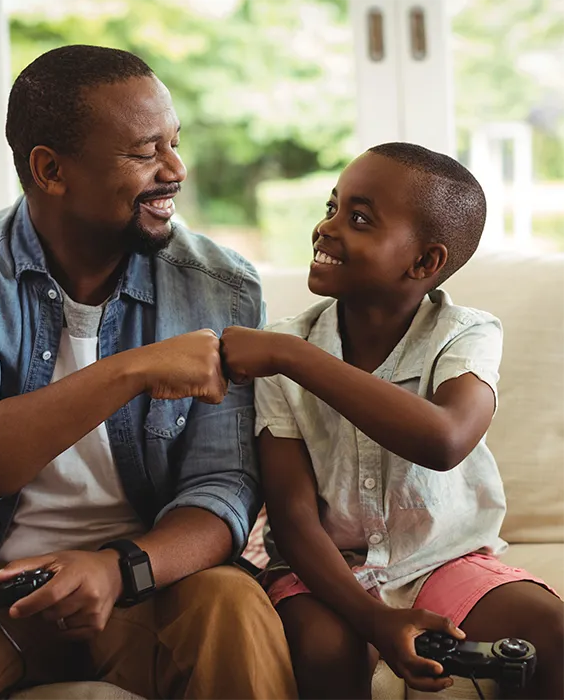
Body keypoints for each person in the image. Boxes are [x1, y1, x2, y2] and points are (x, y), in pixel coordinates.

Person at [0, 45, 297, 700]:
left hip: (154, 580)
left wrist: (118, 570)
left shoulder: (218, 286)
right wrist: (129, 371)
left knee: (233, 609)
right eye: (144, 152)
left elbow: (224, 487)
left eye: (174, 143)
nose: (175, 170)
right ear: (50, 170)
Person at [220, 142, 564, 700]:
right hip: (323, 570)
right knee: (326, 649)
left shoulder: (465, 334)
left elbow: (446, 439)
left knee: (551, 629)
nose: (326, 228)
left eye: (357, 219)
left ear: (425, 263)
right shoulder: (284, 344)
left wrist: (295, 358)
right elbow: (292, 517)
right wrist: (372, 619)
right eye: (332, 207)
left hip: (441, 558)